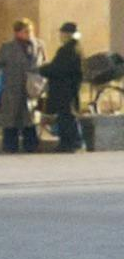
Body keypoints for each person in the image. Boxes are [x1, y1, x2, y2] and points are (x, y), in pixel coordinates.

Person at [0, 19, 45, 153]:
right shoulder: (7, 47)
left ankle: (31, 145)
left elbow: (44, 63)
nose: (29, 34)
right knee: (11, 118)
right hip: (13, 87)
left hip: (32, 87)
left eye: (31, 31)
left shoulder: (40, 45)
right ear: (17, 33)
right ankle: (10, 145)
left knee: (30, 117)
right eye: (26, 31)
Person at [49, 21, 92, 157]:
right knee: (67, 115)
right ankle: (68, 143)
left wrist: (41, 70)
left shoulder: (67, 49)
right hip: (71, 86)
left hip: (64, 87)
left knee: (67, 115)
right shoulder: (77, 47)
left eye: (62, 33)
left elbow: (57, 68)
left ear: (67, 35)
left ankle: (73, 142)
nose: (60, 36)